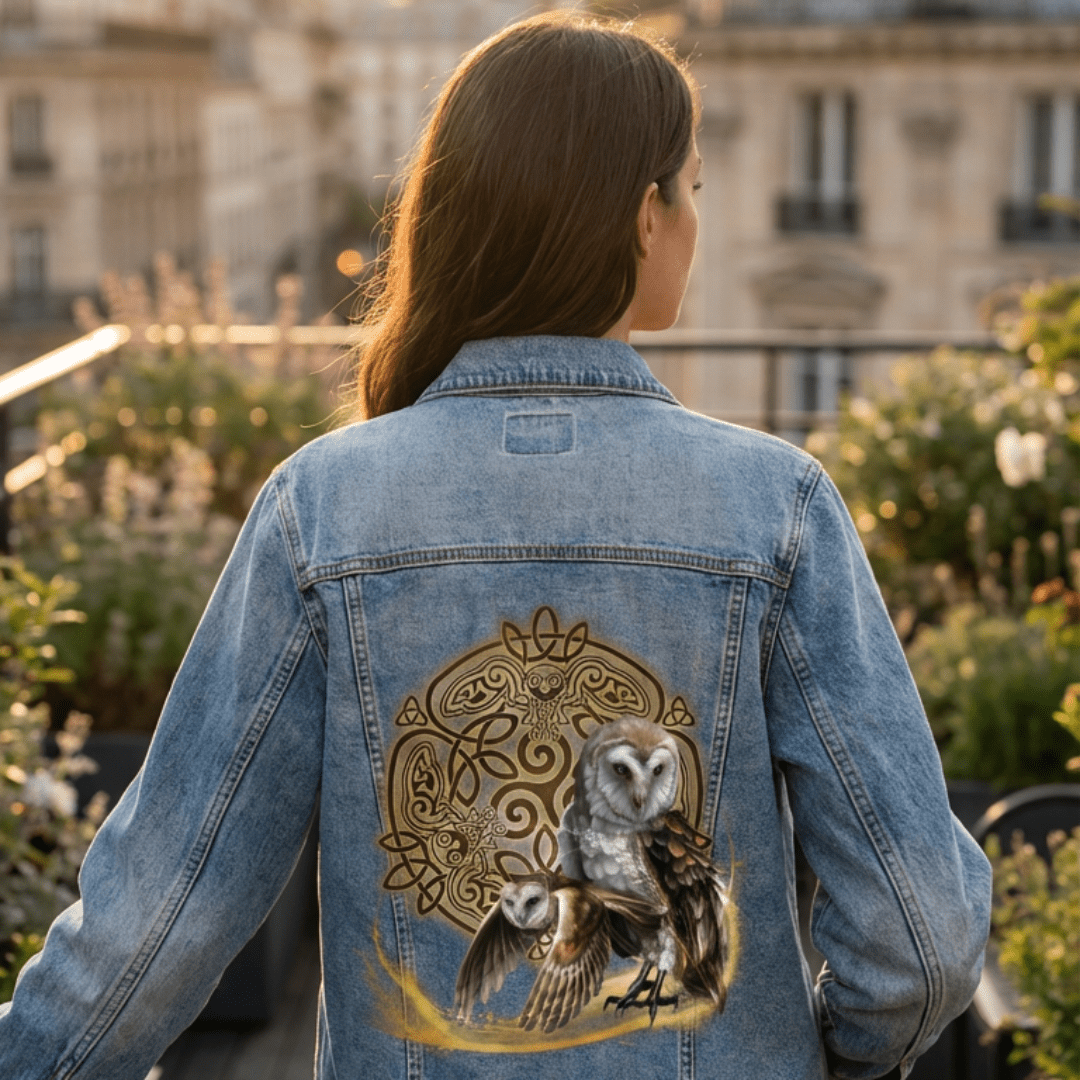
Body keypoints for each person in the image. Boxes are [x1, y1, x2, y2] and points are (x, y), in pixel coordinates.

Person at [0, 12, 990, 1080]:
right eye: (693, 187)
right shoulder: (779, 508)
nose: (696, 219)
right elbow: (919, 936)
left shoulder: (319, 511)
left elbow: (160, 919)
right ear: (643, 215)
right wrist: (818, 1053)